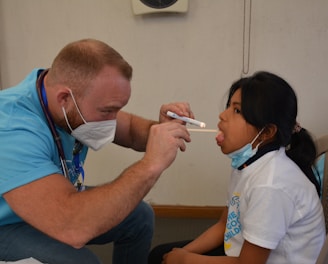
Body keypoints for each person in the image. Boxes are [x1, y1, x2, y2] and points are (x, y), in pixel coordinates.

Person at [0, 38, 194, 264]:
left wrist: (159, 129)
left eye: (117, 110)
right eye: (108, 111)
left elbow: (130, 130)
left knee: (140, 217)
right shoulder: (12, 128)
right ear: (64, 98)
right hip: (8, 223)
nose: (113, 121)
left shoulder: (65, 98)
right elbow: (72, 226)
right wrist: (150, 166)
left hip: (49, 203)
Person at [148, 71, 326, 264]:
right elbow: (225, 225)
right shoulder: (247, 162)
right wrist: (180, 253)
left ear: (266, 132)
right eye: (229, 107)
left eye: (237, 111)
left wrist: (185, 260)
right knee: (161, 255)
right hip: (245, 251)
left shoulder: (270, 185)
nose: (222, 116)